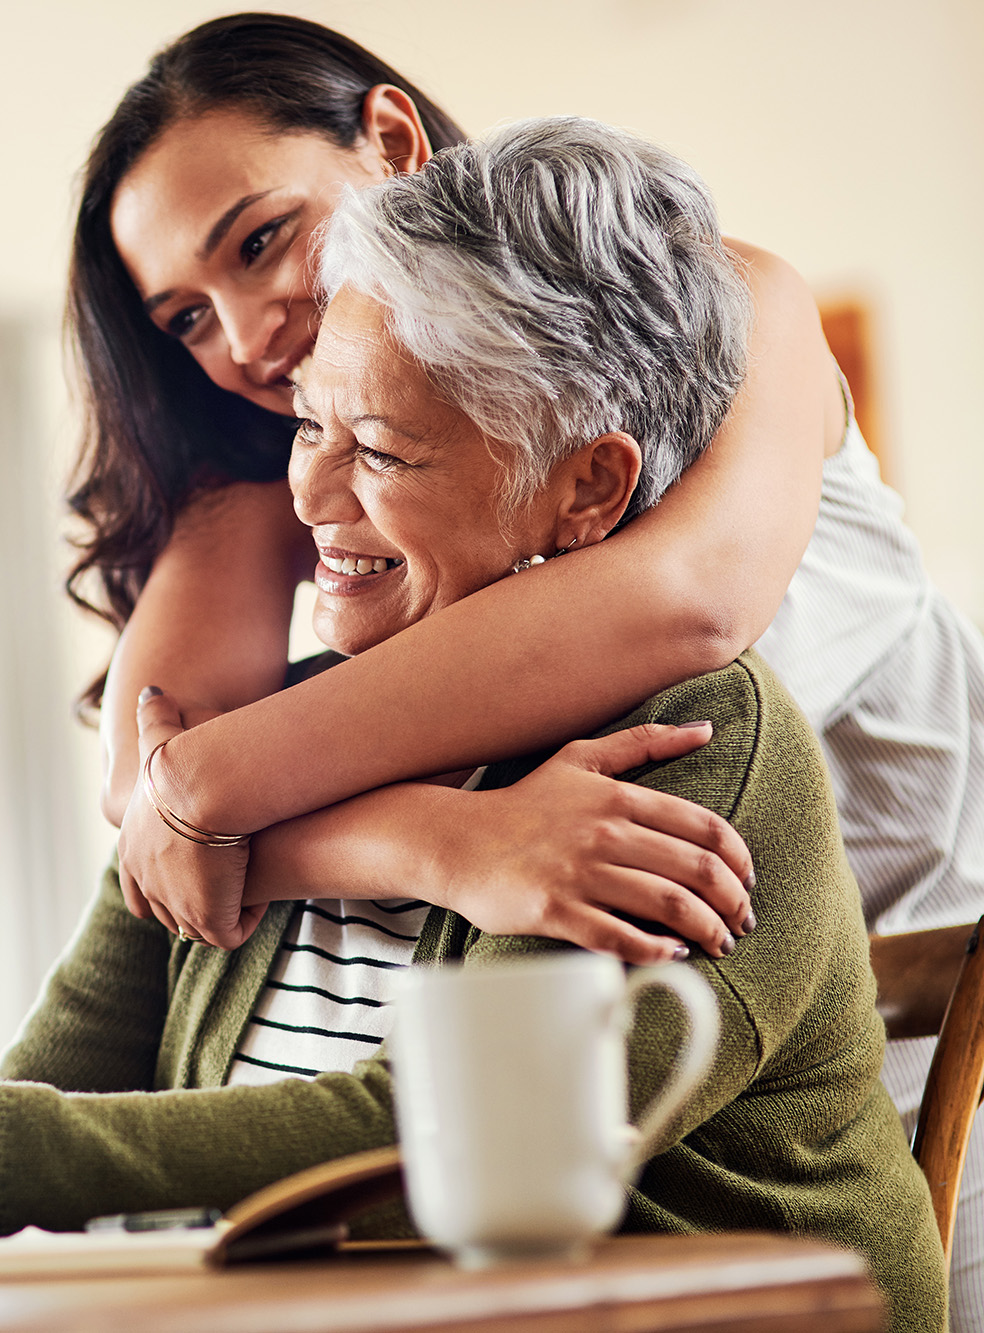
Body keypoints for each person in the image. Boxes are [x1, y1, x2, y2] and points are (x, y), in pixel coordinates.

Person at [0, 119, 945, 1333]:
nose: (313, 501)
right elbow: (55, 1086)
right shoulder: (298, 725)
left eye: (377, 449)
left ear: (581, 493)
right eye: (304, 428)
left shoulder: (688, 743)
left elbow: (416, 1151)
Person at [73, 15, 984, 1320]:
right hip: (648, 1054)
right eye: (187, 317)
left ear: (390, 138)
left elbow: (684, 602)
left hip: (922, 1031)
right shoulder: (308, 448)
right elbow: (145, 804)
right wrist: (436, 843)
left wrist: (215, 789)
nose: (246, 333)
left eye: (262, 239)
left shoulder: (716, 314)